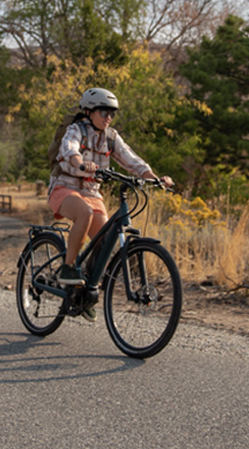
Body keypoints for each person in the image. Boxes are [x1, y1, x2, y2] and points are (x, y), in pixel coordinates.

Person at [48, 87, 173, 320]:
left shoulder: (111, 137)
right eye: (104, 112)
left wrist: (155, 178)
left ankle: (84, 290)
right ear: (89, 111)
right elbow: (69, 149)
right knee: (84, 213)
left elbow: (131, 159)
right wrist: (81, 163)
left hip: (92, 192)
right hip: (64, 187)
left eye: (111, 113)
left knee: (105, 240)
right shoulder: (76, 130)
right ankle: (68, 267)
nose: (108, 117)